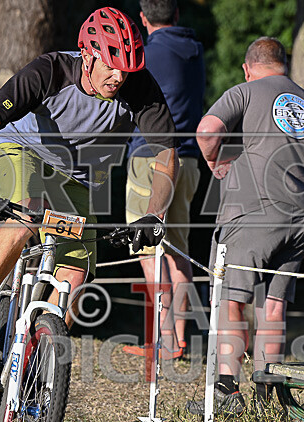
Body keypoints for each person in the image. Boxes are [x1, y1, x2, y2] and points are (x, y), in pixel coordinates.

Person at [0, 7, 179, 353]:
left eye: (127, 70)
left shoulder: (140, 86)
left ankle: (40, 355)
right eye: (110, 65)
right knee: (31, 210)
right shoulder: (51, 70)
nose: (118, 77)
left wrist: (154, 214)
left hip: (80, 179)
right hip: (24, 151)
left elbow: (166, 154)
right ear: (87, 56)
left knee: (78, 271)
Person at [189, 37, 304, 415]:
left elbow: (206, 132)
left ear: (247, 67)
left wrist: (216, 162)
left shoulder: (244, 92)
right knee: (273, 306)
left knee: (232, 300)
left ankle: (227, 392)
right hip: (300, 218)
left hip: (250, 216)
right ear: (283, 65)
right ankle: (266, 398)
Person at [122, 0, 205, 360]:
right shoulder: (194, 51)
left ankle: (162, 340)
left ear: (142, 18)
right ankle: (179, 339)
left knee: (147, 247)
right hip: (188, 160)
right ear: (177, 14)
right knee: (178, 250)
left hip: (150, 157)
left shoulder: (147, 53)